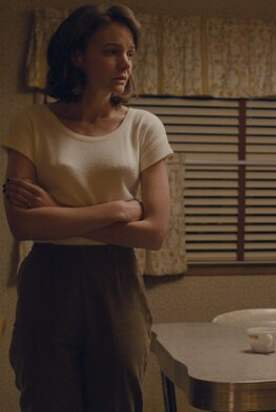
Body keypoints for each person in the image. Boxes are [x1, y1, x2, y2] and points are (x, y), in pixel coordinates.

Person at [2, 4, 173, 411]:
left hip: (116, 279)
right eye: (112, 51)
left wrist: (57, 212)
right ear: (78, 56)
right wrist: (117, 210)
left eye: (130, 53)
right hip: (49, 277)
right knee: (46, 399)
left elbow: (154, 232)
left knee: (118, 399)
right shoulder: (31, 122)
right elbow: (23, 224)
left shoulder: (144, 126)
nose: (125, 63)